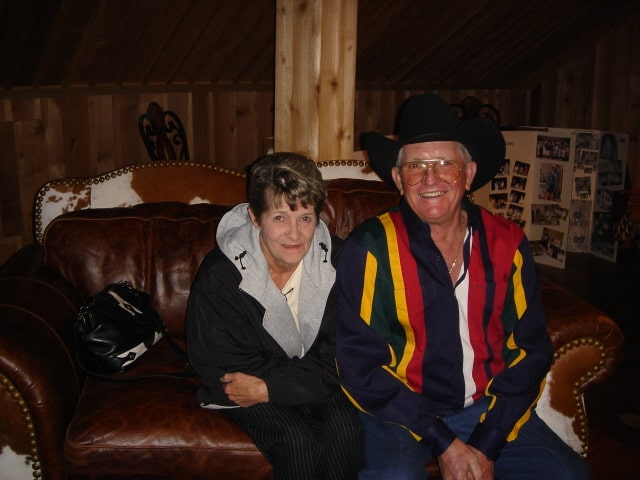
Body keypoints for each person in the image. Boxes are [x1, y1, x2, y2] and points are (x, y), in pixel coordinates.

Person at [335, 94, 589, 480]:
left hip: (484, 407)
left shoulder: (507, 242)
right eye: (416, 166)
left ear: (468, 174)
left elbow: (530, 351)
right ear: (399, 179)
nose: (430, 178)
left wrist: (488, 441)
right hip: (400, 413)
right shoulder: (369, 248)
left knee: (566, 474)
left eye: (444, 164)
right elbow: (359, 364)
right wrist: (444, 443)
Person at [186, 152, 363, 480]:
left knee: (347, 430)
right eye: (280, 217)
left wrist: (274, 387)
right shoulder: (221, 275)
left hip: (291, 381)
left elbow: (345, 353)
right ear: (255, 217)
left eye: (305, 218)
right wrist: (287, 384)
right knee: (298, 443)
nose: (294, 234)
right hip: (245, 387)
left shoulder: (340, 263)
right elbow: (229, 367)